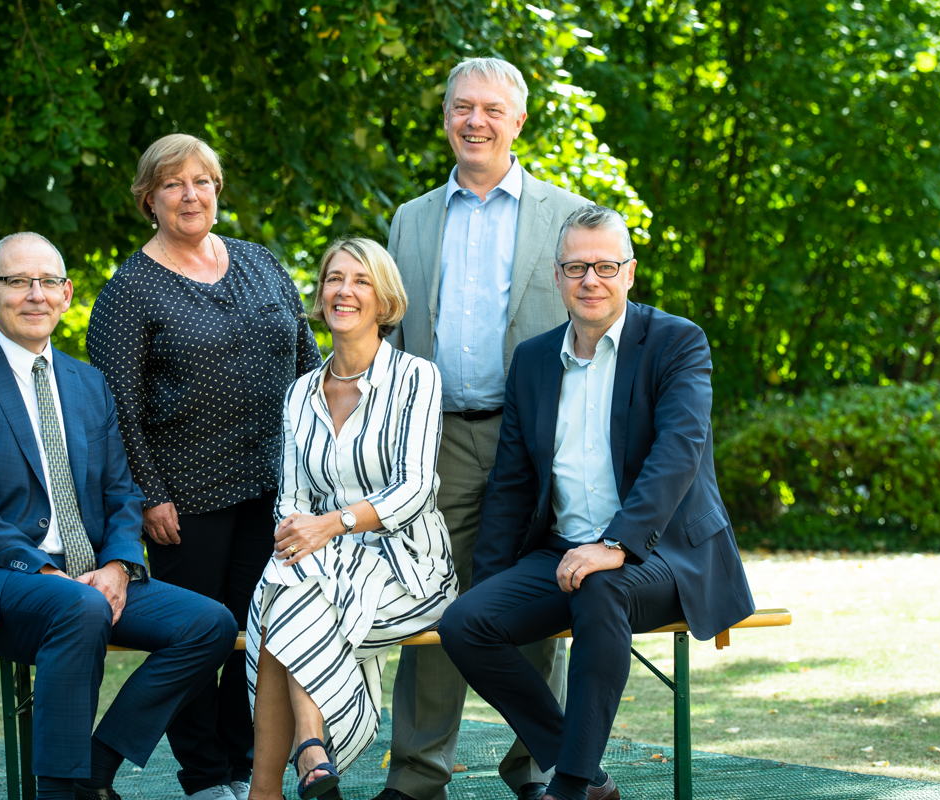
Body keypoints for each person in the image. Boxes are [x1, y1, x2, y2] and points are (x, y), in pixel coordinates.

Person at [438, 205, 757, 800]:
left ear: (630, 273)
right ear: (557, 278)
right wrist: (490, 584)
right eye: (577, 267)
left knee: (602, 584)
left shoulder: (676, 342)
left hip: (663, 552)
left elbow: (678, 453)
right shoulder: (534, 360)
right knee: (467, 622)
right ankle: (586, 771)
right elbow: (511, 482)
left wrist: (615, 545)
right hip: (562, 551)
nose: (592, 280)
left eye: (606, 266)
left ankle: (572, 785)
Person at [0, 231, 238, 800]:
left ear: (65, 295)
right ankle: (60, 790)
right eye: (17, 282)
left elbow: (121, 491)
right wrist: (39, 570)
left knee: (209, 624)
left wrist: (117, 564)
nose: (34, 295)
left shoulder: (88, 383)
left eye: (47, 282)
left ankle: (93, 766)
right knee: (78, 605)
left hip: (89, 577)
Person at [86, 134, 321, 800]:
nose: (191, 195)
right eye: (173, 184)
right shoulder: (130, 290)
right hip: (185, 500)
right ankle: (204, 776)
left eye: (203, 181)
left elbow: (307, 364)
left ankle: (247, 760)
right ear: (148, 200)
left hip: (275, 492)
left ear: (218, 189)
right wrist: (149, 495)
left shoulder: (260, 262)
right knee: (200, 640)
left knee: (258, 637)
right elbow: (116, 409)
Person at [380, 57, 589, 800]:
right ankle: (415, 776)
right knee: (433, 600)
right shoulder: (409, 220)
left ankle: (538, 768)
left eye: (492, 109)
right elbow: (391, 340)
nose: (476, 121)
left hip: (536, 442)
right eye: (463, 107)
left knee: (532, 602)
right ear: (445, 118)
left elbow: (595, 327)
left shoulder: (568, 214)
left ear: (519, 120)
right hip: (435, 439)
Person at [244, 238, 457, 800]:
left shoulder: (418, 379)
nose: (345, 290)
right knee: (287, 578)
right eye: (334, 279)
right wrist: (302, 531)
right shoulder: (299, 394)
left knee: (280, 598)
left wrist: (329, 526)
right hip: (320, 562)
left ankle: (282, 775)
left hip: (408, 567)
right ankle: (312, 762)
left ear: (384, 299)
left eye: (361, 280)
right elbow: (290, 499)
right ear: (321, 294)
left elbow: (414, 491)